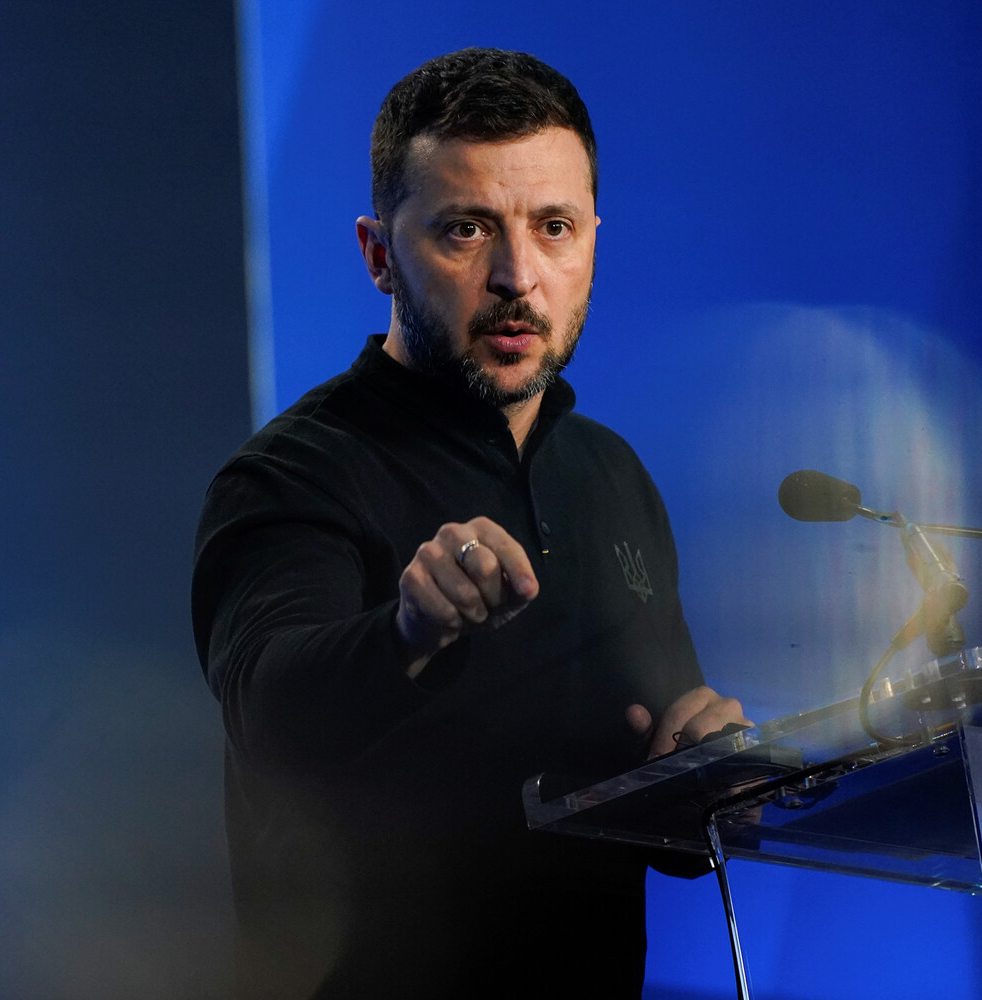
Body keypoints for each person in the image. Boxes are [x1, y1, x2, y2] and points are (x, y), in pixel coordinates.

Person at [192, 48, 747, 999]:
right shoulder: (291, 475)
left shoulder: (612, 476)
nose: (517, 276)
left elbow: (654, 809)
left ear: (593, 241)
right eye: (466, 230)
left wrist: (708, 777)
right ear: (378, 255)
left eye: (554, 227)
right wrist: (407, 631)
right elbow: (267, 715)